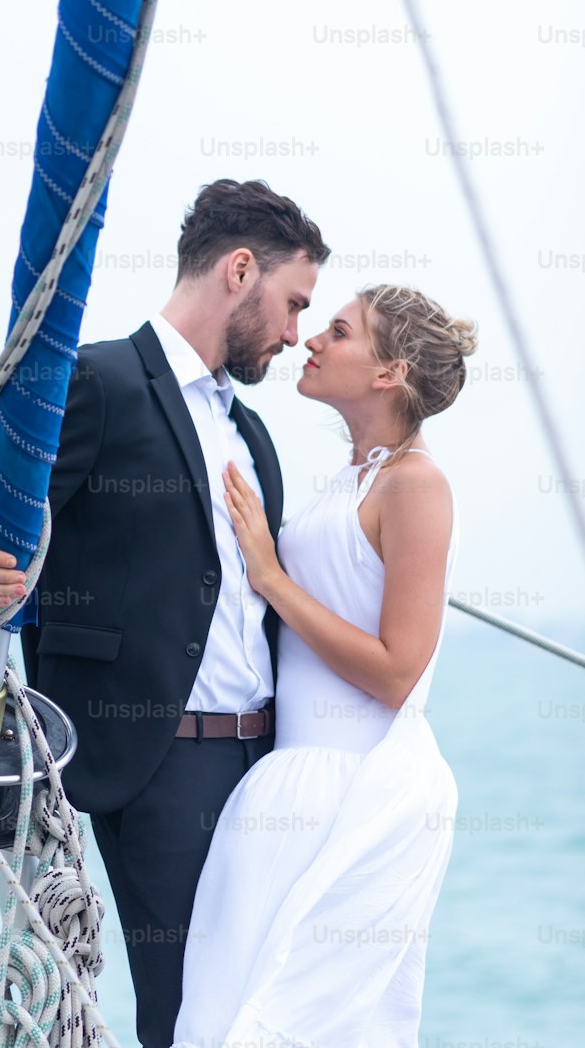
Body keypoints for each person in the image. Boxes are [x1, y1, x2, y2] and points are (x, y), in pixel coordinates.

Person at [0, 178, 331, 1048]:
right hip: (159, 761)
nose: (297, 332)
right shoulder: (100, 382)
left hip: (264, 765)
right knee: (189, 1016)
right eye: (295, 302)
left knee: (260, 1005)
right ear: (238, 271)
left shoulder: (252, 434)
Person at [172, 284, 478, 1048]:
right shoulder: (355, 477)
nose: (310, 339)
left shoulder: (416, 484)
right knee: (222, 1013)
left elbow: (398, 670)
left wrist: (272, 576)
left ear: (388, 373)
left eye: (338, 331)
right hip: (289, 780)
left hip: (352, 786)